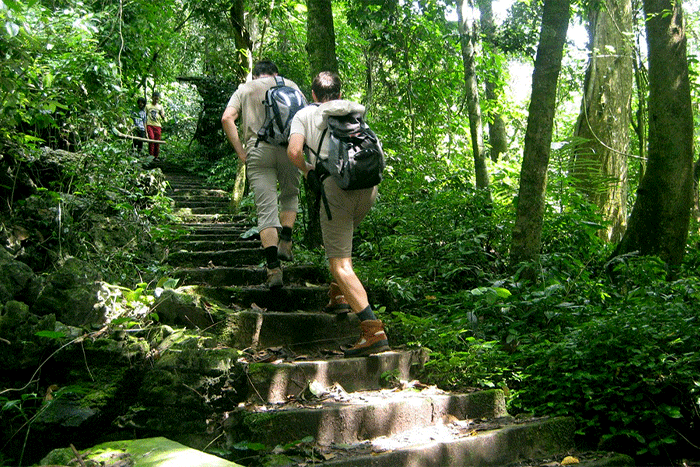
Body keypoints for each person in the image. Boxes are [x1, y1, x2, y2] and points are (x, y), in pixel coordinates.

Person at [287, 71, 390, 358]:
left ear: (314, 94)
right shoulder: (352, 112)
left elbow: (294, 151)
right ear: (339, 92)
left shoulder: (305, 114)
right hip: (368, 187)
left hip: (337, 188)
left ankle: (373, 331)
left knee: (340, 264)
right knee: (342, 245)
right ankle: (339, 295)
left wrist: (308, 169)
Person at [221, 60, 302, 289]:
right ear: (275, 73)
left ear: (255, 75)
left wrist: (241, 152)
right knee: (290, 194)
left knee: (266, 209)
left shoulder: (246, 88)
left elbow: (227, 118)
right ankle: (286, 239)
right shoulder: (291, 85)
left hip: (258, 150)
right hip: (288, 148)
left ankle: (273, 268)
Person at [145, 91, 165, 159]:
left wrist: (162, 115)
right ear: (152, 98)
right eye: (155, 98)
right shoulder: (148, 106)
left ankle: (156, 157)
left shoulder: (160, 107)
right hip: (150, 124)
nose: (156, 100)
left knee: (157, 141)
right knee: (151, 139)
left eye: (157, 99)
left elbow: (163, 115)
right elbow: (144, 116)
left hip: (158, 125)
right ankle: (151, 156)